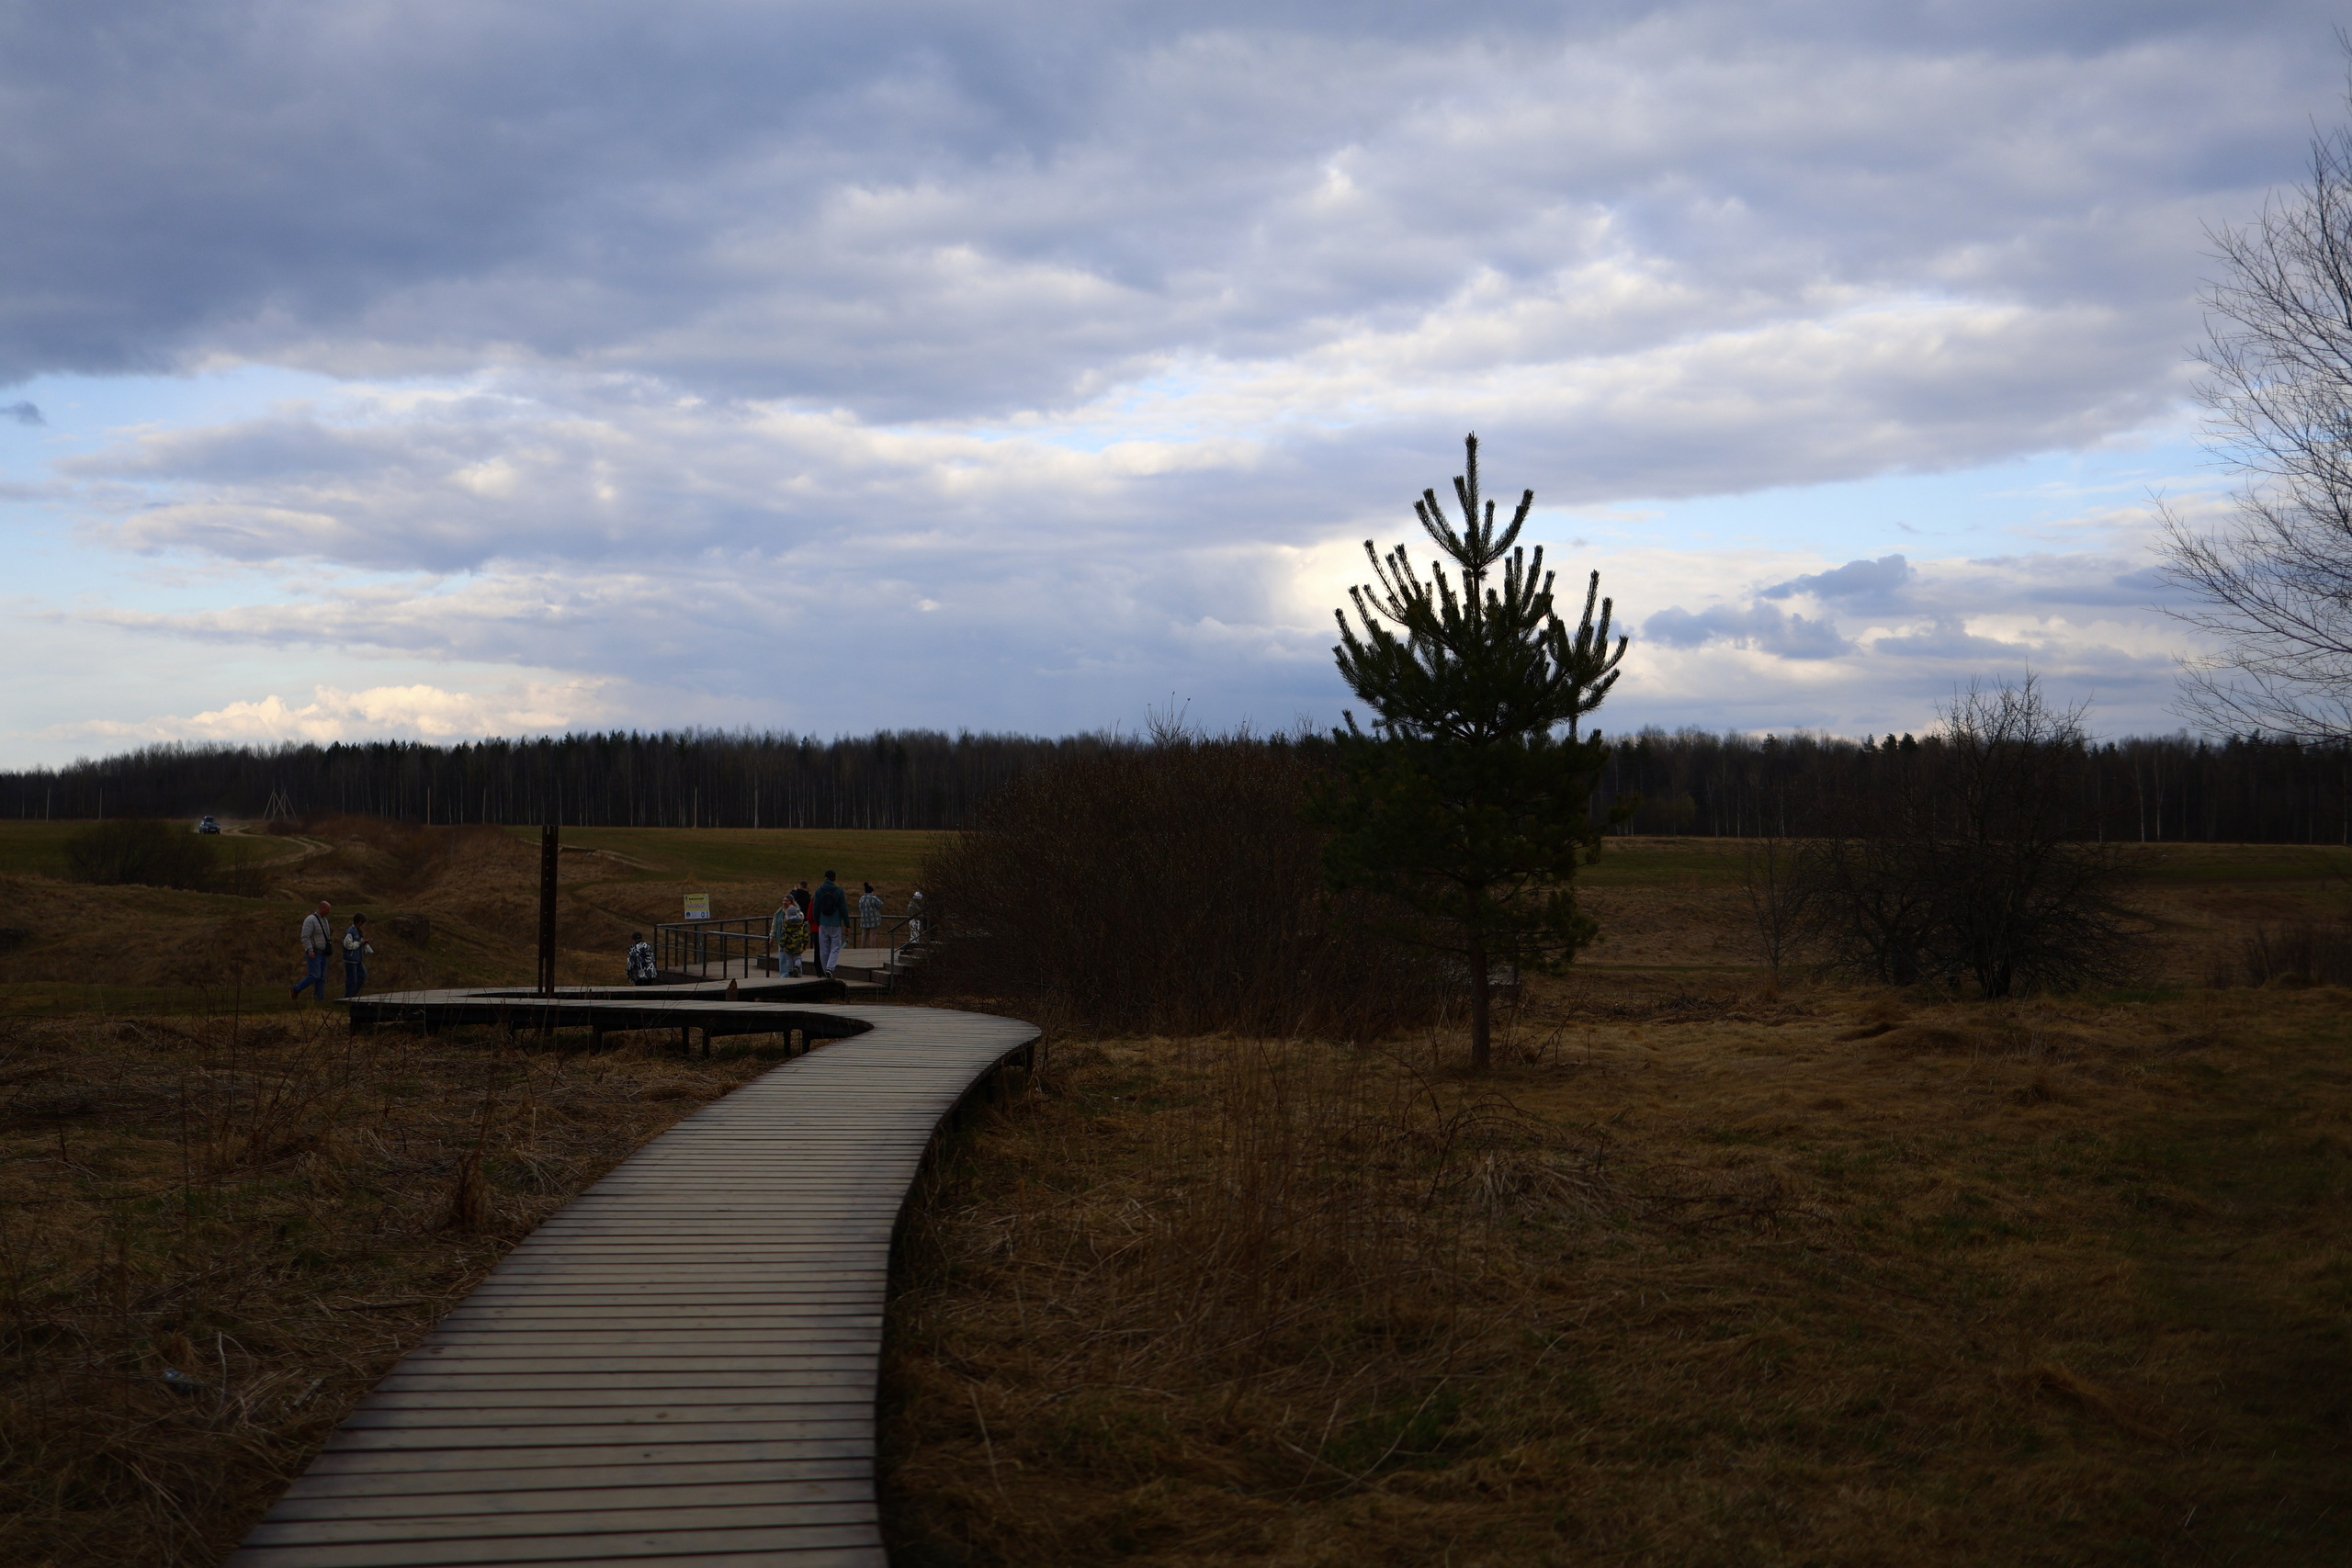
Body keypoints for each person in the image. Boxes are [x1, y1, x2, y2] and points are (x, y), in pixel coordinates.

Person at [292, 900, 334, 1002]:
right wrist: (310, 949)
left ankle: (318, 999)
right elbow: (305, 936)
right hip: (314, 952)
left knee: (322, 978)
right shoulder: (310, 920)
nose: (329, 912)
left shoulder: (325, 920)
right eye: (327, 910)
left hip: (323, 953)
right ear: (321, 908)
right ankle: (296, 989)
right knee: (314, 975)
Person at [812, 870, 847, 976]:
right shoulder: (839, 891)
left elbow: (815, 907)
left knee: (824, 949)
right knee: (835, 948)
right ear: (835, 879)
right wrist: (847, 924)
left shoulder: (819, 891)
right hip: (835, 923)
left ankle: (824, 971)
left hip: (823, 923)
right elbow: (843, 909)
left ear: (825, 878)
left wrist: (818, 921)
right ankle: (830, 968)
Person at [773, 897, 809, 976]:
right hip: (798, 945)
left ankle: (790, 972)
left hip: (788, 946)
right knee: (798, 958)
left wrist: (782, 944)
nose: (785, 902)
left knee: (788, 960)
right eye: (784, 900)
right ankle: (796, 967)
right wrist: (805, 943)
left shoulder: (786, 925)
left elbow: (784, 935)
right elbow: (805, 934)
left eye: (787, 901)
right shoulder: (800, 923)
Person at [340, 913, 374, 998]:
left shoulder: (357, 931)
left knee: (363, 975)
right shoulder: (350, 932)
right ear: (359, 922)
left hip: (357, 959)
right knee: (352, 979)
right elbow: (348, 945)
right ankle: (348, 996)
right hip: (350, 959)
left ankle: (353, 994)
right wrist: (359, 943)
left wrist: (364, 943)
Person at [857, 882, 882, 947]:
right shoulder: (874, 898)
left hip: (864, 919)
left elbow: (860, 908)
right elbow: (880, 905)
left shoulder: (861, 899)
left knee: (864, 934)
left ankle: (863, 948)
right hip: (874, 919)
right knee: (873, 935)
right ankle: (872, 948)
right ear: (872, 891)